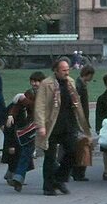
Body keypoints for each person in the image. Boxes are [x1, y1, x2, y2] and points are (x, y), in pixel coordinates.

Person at [33, 57, 91, 196]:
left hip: (68, 124)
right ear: (56, 70)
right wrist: (41, 125)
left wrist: (83, 124)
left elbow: (77, 103)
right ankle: (48, 187)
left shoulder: (70, 82)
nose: (66, 72)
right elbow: (39, 106)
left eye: (68, 69)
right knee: (50, 157)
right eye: (63, 70)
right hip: (51, 125)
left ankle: (59, 179)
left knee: (73, 152)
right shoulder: (47, 84)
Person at [2, 71, 44, 191]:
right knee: (26, 151)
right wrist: (11, 115)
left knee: (49, 153)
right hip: (31, 127)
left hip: (45, 126)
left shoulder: (45, 93)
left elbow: (37, 107)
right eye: (33, 81)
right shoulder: (29, 93)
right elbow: (17, 106)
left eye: (37, 81)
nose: (35, 84)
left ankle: (58, 175)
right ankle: (18, 177)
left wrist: (23, 99)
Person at [71, 64, 95, 181]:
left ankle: (77, 171)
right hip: (81, 119)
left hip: (81, 118)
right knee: (84, 145)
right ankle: (79, 172)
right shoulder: (80, 86)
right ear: (88, 75)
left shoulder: (80, 84)